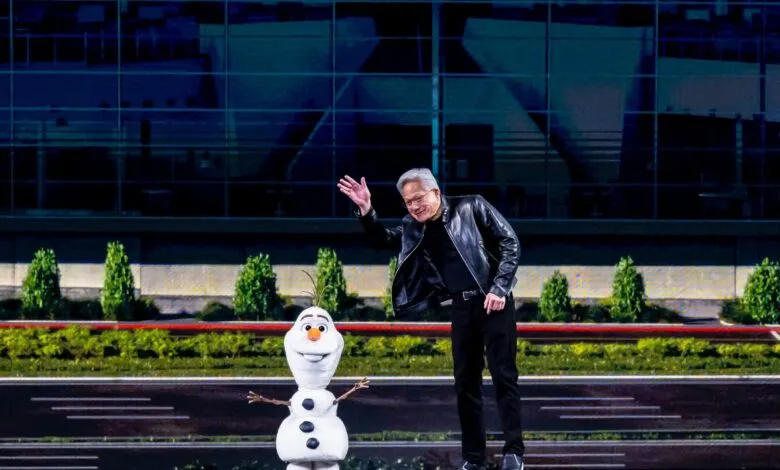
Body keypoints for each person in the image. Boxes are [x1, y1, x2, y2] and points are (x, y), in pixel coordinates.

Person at [337, 168, 525, 470]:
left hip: (494, 303)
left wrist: (500, 287)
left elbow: (510, 243)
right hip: (461, 308)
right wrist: (366, 210)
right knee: (466, 384)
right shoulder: (414, 227)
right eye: (408, 202)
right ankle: (474, 459)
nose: (414, 206)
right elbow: (384, 240)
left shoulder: (471, 206)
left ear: (435, 192)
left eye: (418, 198)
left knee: (504, 377)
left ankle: (514, 452)